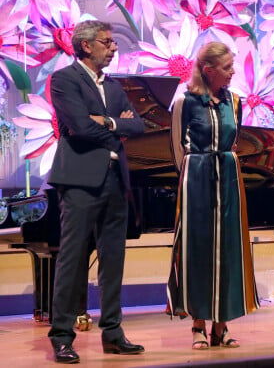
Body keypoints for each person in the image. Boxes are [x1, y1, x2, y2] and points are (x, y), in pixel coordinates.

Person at [47, 20, 146, 363]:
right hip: (79, 181)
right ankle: (62, 336)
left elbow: (139, 125)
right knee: (72, 260)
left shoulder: (115, 87)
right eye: (108, 42)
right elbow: (79, 126)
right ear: (87, 46)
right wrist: (115, 130)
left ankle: (114, 333)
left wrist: (109, 123)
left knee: (113, 259)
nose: (114, 47)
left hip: (115, 181)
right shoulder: (64, 80)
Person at [167, 41, 259, 350]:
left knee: (228, 249)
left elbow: (234, 142)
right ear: (208, 70)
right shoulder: (185, 102)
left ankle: (222, 325)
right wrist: (189, 181)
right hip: (196, 178)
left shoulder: (234, 101)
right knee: (198, 248)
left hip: (228, 178)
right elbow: (178, 149)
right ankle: (197, 324)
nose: (233, 72)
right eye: (227, 67)